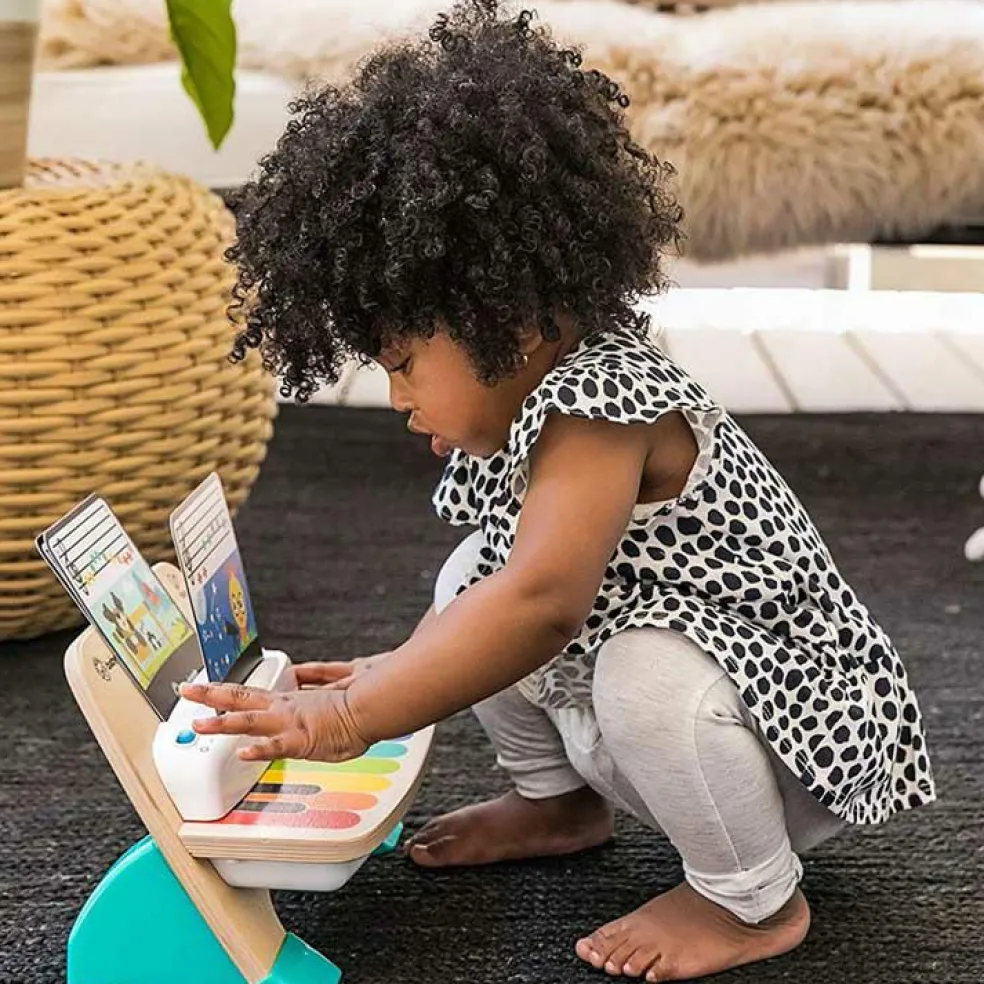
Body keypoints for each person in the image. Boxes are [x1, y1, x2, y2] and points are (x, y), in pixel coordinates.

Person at [181, 3, 935, 979]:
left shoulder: (602, 401)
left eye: (406, 362)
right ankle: (559, 802)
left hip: (796, 723)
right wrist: (386, 668)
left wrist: (352, 719)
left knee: (607, 654)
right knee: (471, 578)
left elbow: (544, 605)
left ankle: (752, 901)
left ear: (515, 313)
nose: (399, 398)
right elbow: (508, 590)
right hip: (690, 694)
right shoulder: (539, 394)